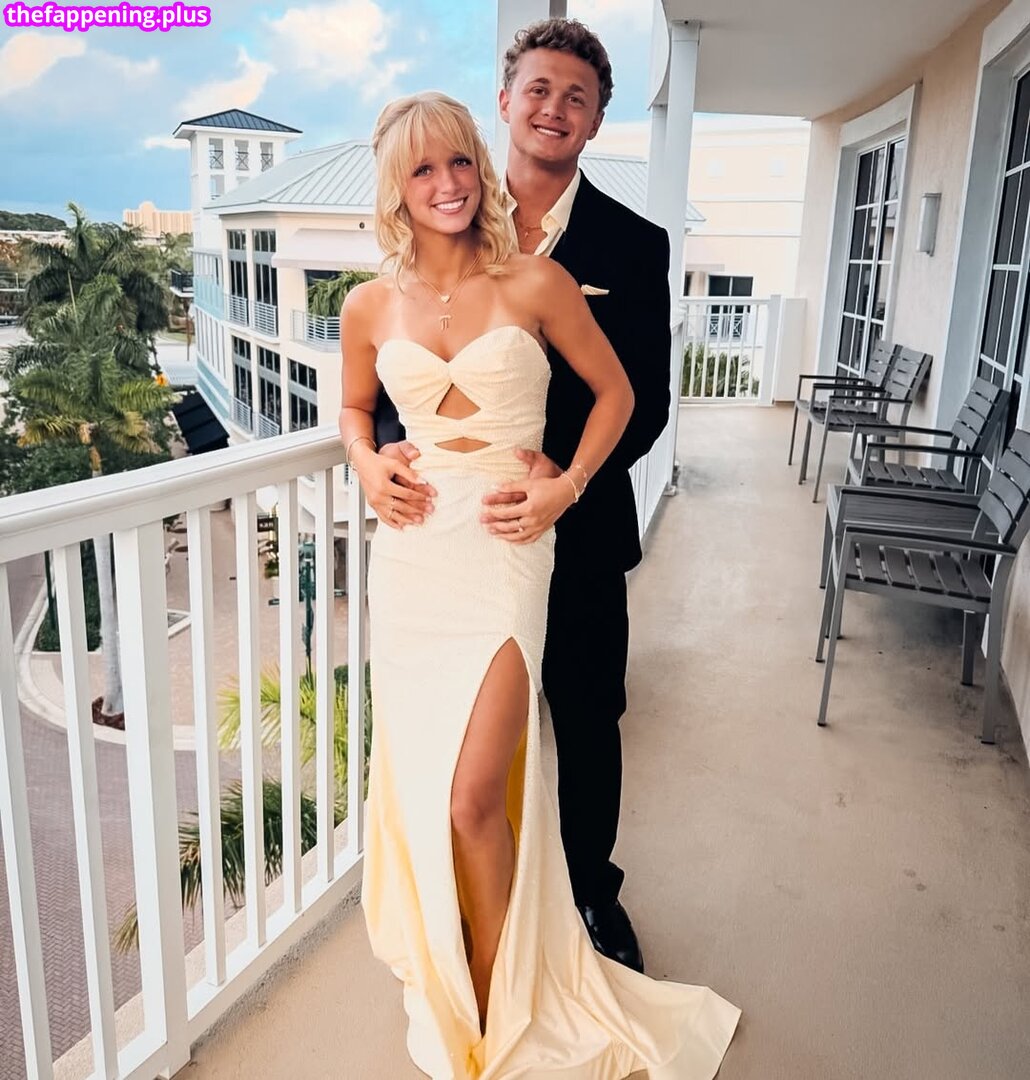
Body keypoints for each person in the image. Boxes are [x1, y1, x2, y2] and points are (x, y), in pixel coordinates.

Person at [340, 90, 738, 1079]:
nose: (447, 183)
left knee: (476, 795)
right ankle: (470, 985)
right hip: (412, 557)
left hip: (507, 547)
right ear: (396, 186)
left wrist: (567, 485)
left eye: (459, 161)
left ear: (480, 166)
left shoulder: (535, 280)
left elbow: (618, 393)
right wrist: (365, 461)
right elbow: (353, 407)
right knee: (431, 785)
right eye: (423, 169)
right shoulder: (369, 304)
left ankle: (502, 1002)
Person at [372, 17, 671, 974]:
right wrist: (378, 456)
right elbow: (400, 374)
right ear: (504, 102)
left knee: (586, 718)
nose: (554, 109)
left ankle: (590, 895)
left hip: (577, 525)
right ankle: (473, 914)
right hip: (451, 536)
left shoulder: (636, 244)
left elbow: (645, 397)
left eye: (576, 98)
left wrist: (563, 483)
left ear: (596, 122)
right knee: (464, 741)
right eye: (538, 89)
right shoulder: (446, 206)